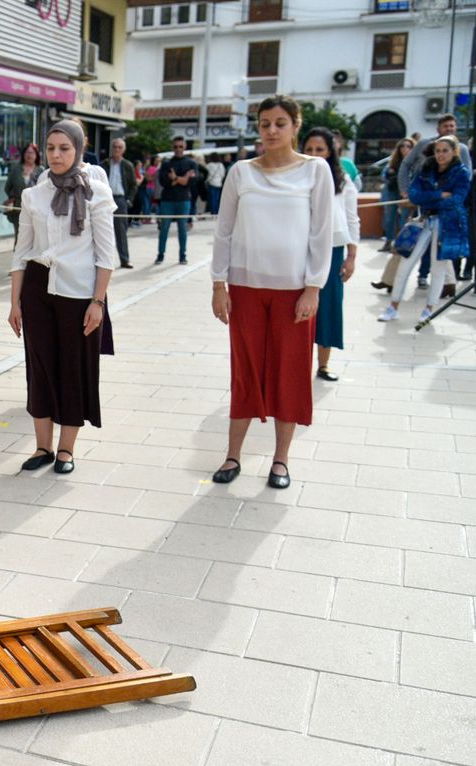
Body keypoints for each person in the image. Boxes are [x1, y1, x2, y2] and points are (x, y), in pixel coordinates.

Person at [209, 95, 334, 491]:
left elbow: (321, 233)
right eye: (265, 123)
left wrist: (313, 287)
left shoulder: (316, 171)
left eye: (281, 122)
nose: (272, 131)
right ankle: (233, 455)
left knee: (290, 373)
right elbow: (223, 230)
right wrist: (218, 284)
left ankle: (281, 459)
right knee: (244, 371)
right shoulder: (241, 173)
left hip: (294, 291)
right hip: (244, 288)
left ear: (296, 125)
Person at [8, 120, 115, 476]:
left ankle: (66, 449)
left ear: (79, 150)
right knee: (39, 368)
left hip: (79, 292)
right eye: (51, 148)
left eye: (64, 148)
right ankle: (43, 446)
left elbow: (106, 255)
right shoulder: (33, 194)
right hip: (39, 289)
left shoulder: (97, 193)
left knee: (74, 368)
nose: (56, 155)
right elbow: (21, 252)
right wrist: (15, 303)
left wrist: (98, 302)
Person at [378, 135, 470, 323]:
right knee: (405, 263)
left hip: (448, 225)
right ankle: (393, 306)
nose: (441, 155)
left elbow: (457, 199)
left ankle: (429, 309)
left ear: (453, 152)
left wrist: (429, 197)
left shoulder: (461, 172)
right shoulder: (426, 168)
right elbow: (414, 194)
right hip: (423, 220)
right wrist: (439, 195)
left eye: (445, 151)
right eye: (438, 150)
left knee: (438, 269)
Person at [301, 128, 359, 382]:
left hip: (333, 251)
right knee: (297, 306)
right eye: (310, 149)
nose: (314, 155)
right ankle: (295, 364)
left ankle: (323, 365)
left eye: (320, 150)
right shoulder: (294, 177)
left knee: (329, 306)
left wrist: (351, 256)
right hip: (298, 249)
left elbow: (351, 218)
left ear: (330, 152)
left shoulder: (342, 180)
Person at [399, 115, 473, 293]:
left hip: (448, 210)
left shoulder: (461, 149)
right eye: (446, 126)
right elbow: (406, 165)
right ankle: (423, 276)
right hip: (425, 205)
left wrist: (449, 198)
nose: (450, 129)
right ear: (438, 129)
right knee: (416, 244)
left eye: (452, 126)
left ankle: (446, 284)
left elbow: (467, 177)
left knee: (443, 249)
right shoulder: (424, 144)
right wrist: (406, 189)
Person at [157, 136, 199, 264]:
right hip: (167, 200)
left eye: (181, 146)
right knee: (164, 228)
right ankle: (160, 254)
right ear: (172, 147)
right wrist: (182, 179)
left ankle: (182, 255)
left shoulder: (191, 163)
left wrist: (175, 178)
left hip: (183, 200)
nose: (178, 149)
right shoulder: (166, 163)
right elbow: (163, 182)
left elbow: (193, 181)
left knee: (182, 229)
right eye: (176, 146)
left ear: (185, 147)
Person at [105, 138, 139, 269]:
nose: (116, 149)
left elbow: (133, 185)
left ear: (123, 149)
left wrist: (128, 200)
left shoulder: (127, 165)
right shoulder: (105, 164)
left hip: (120, 199)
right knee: (102, 230)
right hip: (106, 199)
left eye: (119, 147)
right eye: (114, 147)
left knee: (121, 231)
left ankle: (125, 259)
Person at [378, 138, 414, 253]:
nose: (405, 148)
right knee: (389, 217)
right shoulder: (394, 161)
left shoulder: (415, 161)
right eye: (402, 146)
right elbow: (385, 175)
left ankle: (400, 244)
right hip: (392, 190)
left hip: (406, 192)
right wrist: (390, 175)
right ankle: (389, 241)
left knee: (404, 218)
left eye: (408, 146)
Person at [4, 143, 43, 245]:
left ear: (36, 155)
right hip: (18, 209)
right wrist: (14, 198)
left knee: (35, 237)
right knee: (20, 235)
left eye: (32, 152)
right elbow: (7, 188)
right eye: (27, 152)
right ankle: (18, 259)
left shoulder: (41, 171)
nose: (29, 155)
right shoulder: (16, 170)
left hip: (36, 209)